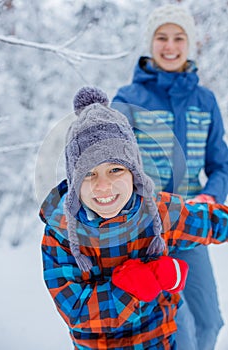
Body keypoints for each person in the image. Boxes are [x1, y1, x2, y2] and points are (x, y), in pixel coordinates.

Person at [40, 86, 228, 350]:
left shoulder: (157, 212)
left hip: (160, 342)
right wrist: (134, 287)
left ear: (135, 173)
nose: (103, 186)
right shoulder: (60, 234)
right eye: (89, 174)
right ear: (74, 182)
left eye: (115, 169)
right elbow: (75, 311)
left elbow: (209, 222)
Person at [112, 4, 228, 349]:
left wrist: (211, 197)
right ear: (151, 43)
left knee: (210, 322)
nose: (170, 46)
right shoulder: (129, 100)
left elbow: (220, 164)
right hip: (147, 234)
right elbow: (112, 162)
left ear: (189, 44)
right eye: (162, 37)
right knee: (178, 332)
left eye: (178, 38)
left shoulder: (204, 101)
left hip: (190, 228)